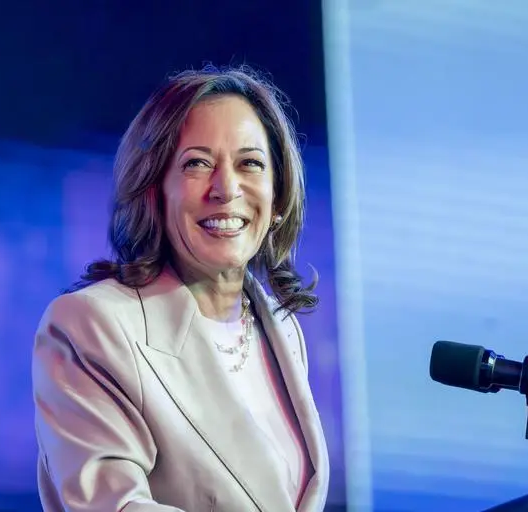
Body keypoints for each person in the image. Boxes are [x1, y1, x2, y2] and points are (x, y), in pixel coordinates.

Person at [32, 65, 329, 512]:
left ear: (279, 196)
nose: (226, 188)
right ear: (154, 188)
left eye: (250, 163)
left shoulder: (282, 330)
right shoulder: (92, 325)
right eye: (197, 164)